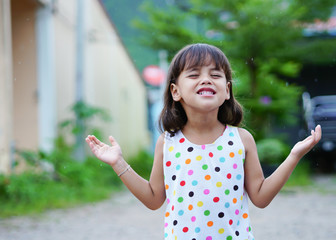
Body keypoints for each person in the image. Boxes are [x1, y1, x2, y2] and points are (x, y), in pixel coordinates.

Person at [85, 43, 321, 240]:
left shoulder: (241, 139)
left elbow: (260, 197)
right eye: (195, 74)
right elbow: (153, 198)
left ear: (227, 90)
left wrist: (294, 156)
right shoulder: (167, 142)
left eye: (215, 75)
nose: (206, 79)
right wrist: (118, 163)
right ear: (176, 92)